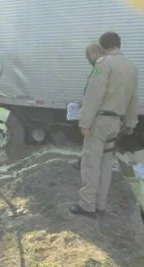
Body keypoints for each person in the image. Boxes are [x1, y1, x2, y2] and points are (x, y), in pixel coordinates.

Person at [70, 32, 138, 218]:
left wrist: (84, 122)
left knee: (91, 163)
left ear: (102, 46)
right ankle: (100, 205)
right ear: (119, 44)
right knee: (106, 163)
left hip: (99, 122)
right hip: (116, 122)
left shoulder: (101, 66)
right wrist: (130, 123)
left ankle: (87, 206)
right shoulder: (132, 66)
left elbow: (94, 95)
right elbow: (133, 98)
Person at [73, 43, 106, 170]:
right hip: (105, 113)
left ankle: (87, 169)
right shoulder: (106, 66)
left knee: (92, 145)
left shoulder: (99, 67)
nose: (88, 61)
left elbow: (95, 92)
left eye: (88, 57)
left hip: (98, 114)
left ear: (93, 54)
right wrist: (84, 101)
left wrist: (85, 123)